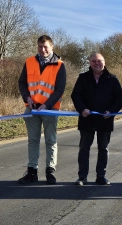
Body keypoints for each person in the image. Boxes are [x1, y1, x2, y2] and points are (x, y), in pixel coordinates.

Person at [17, 35, 66, 184]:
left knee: (51, 140)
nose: (42, 49)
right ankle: (32, 171)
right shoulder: (29, 61)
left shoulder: (59, 64)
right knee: (33, 140)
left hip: (50, 109)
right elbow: (22, 83)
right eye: (40, 46)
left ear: (52, 47)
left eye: (45, 46)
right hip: (32, 109)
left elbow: (59, 89)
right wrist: (27, 98)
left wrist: (47, 105)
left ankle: (50, 171)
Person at [71, 53, 122, 186]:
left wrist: (111, 111)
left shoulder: (112, 79)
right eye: (94, 61)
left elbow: (120, 98)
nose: (97, 63)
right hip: (86, 119)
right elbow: (75, 95)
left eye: (99, 61)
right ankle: (82, 177)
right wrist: (82, 109)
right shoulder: (83, 78)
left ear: (104, 62)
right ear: (90, 63)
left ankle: (101, 176)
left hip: (105, 120)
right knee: (84, 149)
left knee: (103, 148)